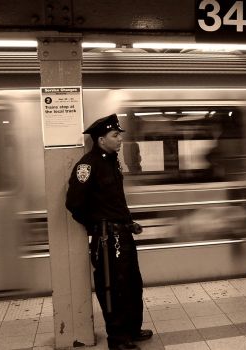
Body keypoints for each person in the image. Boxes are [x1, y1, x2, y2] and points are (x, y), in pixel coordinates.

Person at [65, 114, 152, 350]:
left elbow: (116, 201)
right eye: (115, 136)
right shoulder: (88, 165)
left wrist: (128, 222)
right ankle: (118, 337)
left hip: (122, 234)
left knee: (133, 284)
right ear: (101, 139)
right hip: (106, 237)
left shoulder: (112, 162)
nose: (120, 139)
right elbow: (74, 203)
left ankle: (132, 329)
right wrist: (96, 225)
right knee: (114, 287)